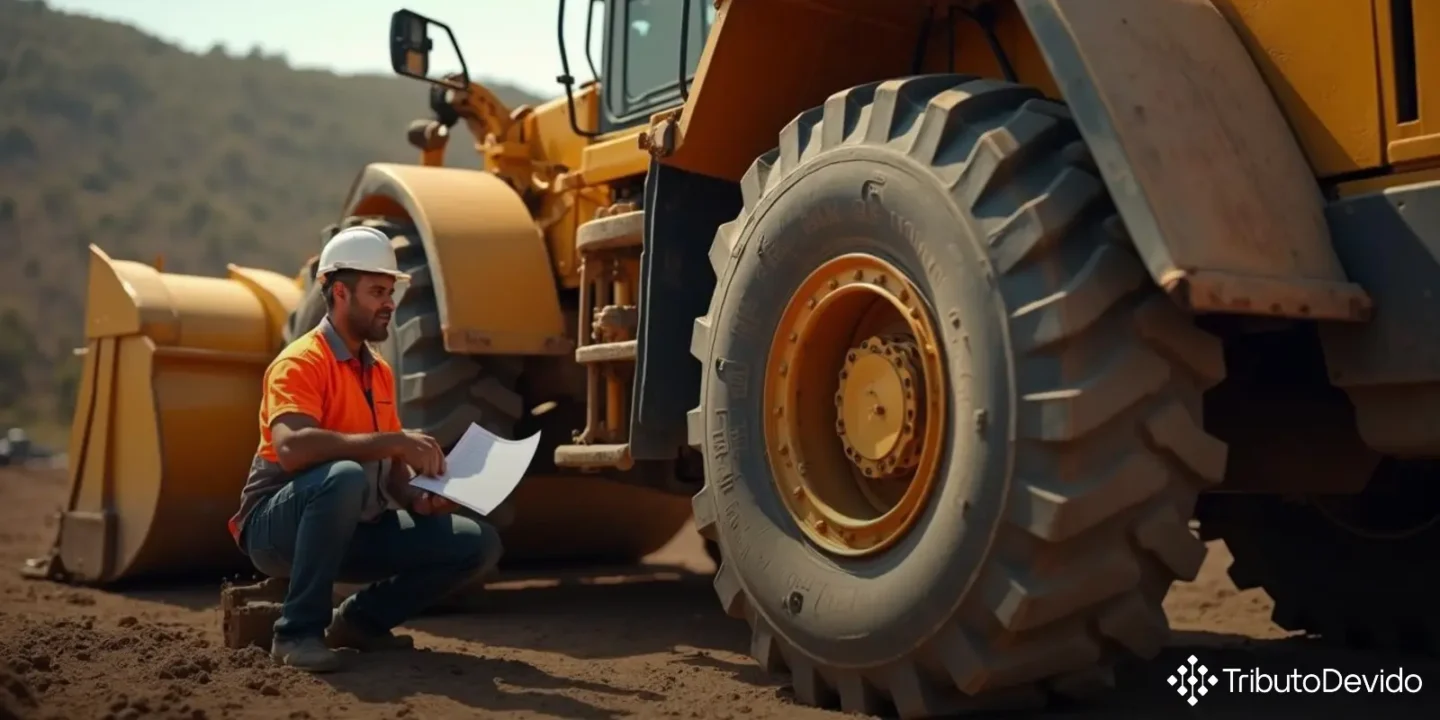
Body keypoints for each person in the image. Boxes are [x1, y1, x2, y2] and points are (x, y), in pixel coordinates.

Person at [226, 225, 504, 673]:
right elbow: (293, 449)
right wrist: (395, 441)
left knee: (477, 543)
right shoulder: (300, 361)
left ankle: (359, 623)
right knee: (344, 477)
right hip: (277, 530)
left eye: (391, 291)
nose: (389, 303)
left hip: (352, 526)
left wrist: (419, 497)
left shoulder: (378, 372)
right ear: (339, 293)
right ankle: (296, 634)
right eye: (377, 291)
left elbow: (389, 471)